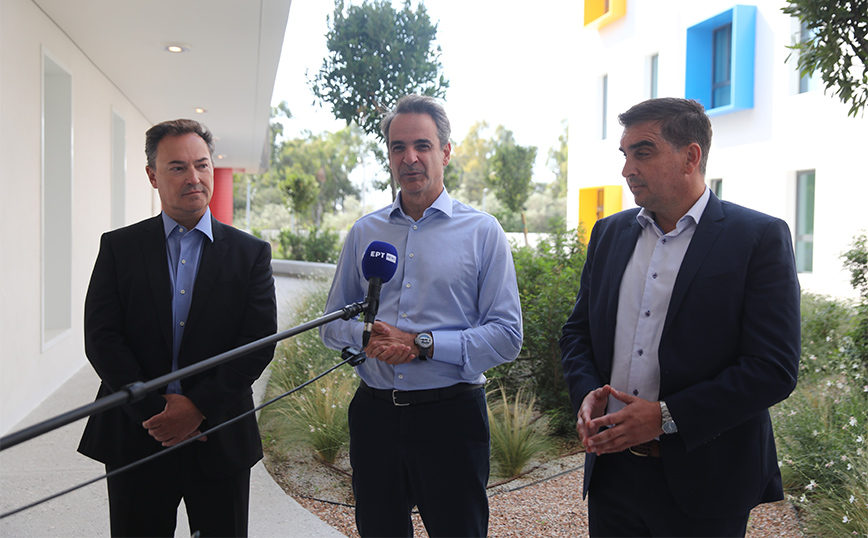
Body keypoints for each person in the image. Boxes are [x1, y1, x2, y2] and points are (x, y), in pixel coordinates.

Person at [560, 97, 800, 537]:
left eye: (643, 152)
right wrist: (587, 393)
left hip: (708, 480)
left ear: (691, 157)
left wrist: (666, 416)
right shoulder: (609, 234)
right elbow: (577, 333)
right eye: (625, 154)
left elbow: (773, 369)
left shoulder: (758, 238)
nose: (627, 169)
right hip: (612, 477)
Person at [320, 94, 523, 537]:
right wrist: (367, 337)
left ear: (445, 152)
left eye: (422, 145)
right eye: (398, 147)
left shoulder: (482, 232)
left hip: (451, 419)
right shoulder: (365, 231)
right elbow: (331, 325)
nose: (409, 158)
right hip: (375, 417)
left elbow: (507, 335)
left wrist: (421, 344)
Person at [77, 119, 277, 537]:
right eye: (177, 167)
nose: (194, 178)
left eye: (202, 165)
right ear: (152, 176)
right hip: (136, 435)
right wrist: (157, 414)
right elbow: (101, 338)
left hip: (220, 435)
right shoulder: (118, 248)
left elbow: (257, 343)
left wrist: (197, 408)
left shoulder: (251, 254)